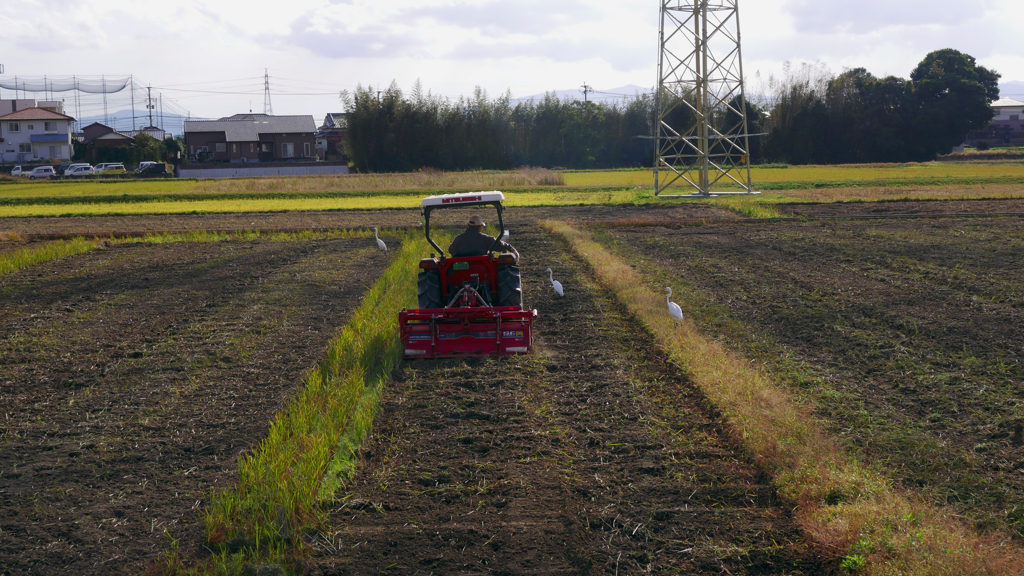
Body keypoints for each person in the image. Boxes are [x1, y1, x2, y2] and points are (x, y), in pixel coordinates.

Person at [448, 214, 519, 261]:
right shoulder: (485, 238)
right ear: (479, 227)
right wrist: (511, 249)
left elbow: (451, 250)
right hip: (483, 271)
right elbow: (499, 245)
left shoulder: (458, 239)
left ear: (468, 225)